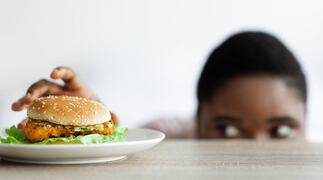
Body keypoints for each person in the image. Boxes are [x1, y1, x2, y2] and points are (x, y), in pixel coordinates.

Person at [12, 31, 307, 140]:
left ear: (306, 120)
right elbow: (121, 150)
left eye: (281, 131)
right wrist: (92, 117)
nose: (257, 154)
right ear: (197, 117)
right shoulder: (166, 134)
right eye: (228, 131)